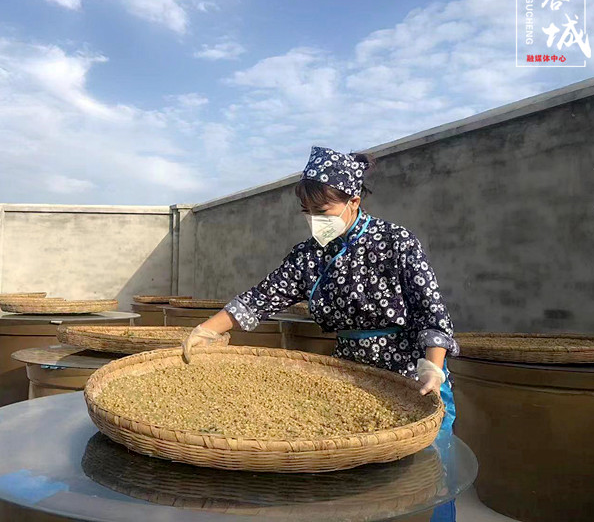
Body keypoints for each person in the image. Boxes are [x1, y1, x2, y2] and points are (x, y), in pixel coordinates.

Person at [182, 146, 459, 521]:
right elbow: (261, 297)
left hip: (412, 372)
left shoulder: (396, 242)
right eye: (307, 211)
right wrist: (206, 330)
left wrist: (433, 367)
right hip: (352, 376)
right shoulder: (308, 256)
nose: (315, 220)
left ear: (354, 201)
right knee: (359, 476)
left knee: (426, 474)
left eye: (323, 210)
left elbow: (432, 311)